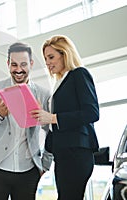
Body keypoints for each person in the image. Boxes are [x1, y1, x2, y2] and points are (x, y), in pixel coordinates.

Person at [0, 42, 53, 200]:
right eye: (14, 64)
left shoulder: (43, 94)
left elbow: (51, 131)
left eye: (23, 64)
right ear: (8, 63)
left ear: (31, 64)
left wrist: (45, 164)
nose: (18, 70)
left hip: (28, 171)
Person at [30, 35, 100, 200]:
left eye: (51, 57)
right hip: (63, 153)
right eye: (46, 58)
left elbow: (92, 113)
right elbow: (55, 123)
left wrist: (53, 118)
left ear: (65, 54)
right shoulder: (59, 83)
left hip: (77, 152)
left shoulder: (79, 74)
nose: (47, 62)